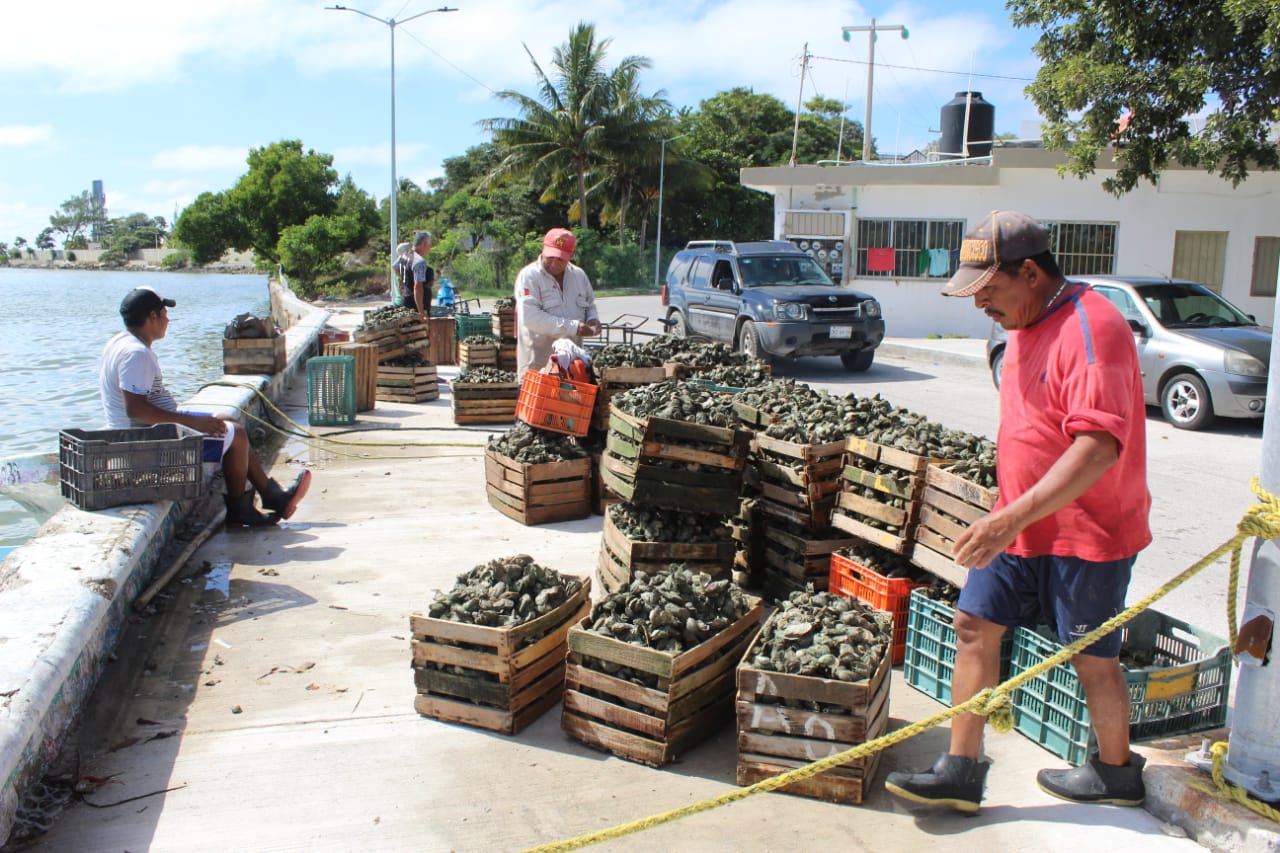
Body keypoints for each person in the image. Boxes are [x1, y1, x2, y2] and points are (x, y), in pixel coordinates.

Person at [884, 210, 1152, 812]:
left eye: (988, 289)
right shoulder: (1022, 320)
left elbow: (1098, 447)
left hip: (1089, 531)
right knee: (973, 625)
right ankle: (960, 770)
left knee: (1093, 657)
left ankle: (1116, 775)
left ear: (1030, 273)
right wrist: (1008, 511)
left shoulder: (1093, 325)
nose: (980, 304)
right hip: (1018, 522)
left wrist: (1011, 517)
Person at [98, 287, 311, 528]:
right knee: (236, 435)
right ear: (152, 317)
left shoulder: (119, 342)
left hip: (145, 435)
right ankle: (243, 509)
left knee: (225, 421)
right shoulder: (137, 354)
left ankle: (271, 496)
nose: (168, 320)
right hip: (146, 447)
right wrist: (192, 422)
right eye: (164, 314)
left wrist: (193, 420)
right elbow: (137, 411)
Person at [514, 228, 601, 375]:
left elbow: (590, 305)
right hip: (538, 370)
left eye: (560, 258)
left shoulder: (579, 276)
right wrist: (573, 327)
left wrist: (593, 319)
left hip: (572, 370)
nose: (554, 262)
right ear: (543, 249)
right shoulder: (529, 276)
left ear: (571, 255)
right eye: (550, 256)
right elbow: (530, 317)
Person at [397, 231, 434, 318]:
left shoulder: (406, 256)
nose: (430, 248)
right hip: (416, 306)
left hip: (407, 303)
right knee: (420, 326)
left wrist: (402, 280)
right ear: (424, 244)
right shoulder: (419, 261)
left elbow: (395, 266)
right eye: (429, 245)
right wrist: (421, 312)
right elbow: (418, 287)